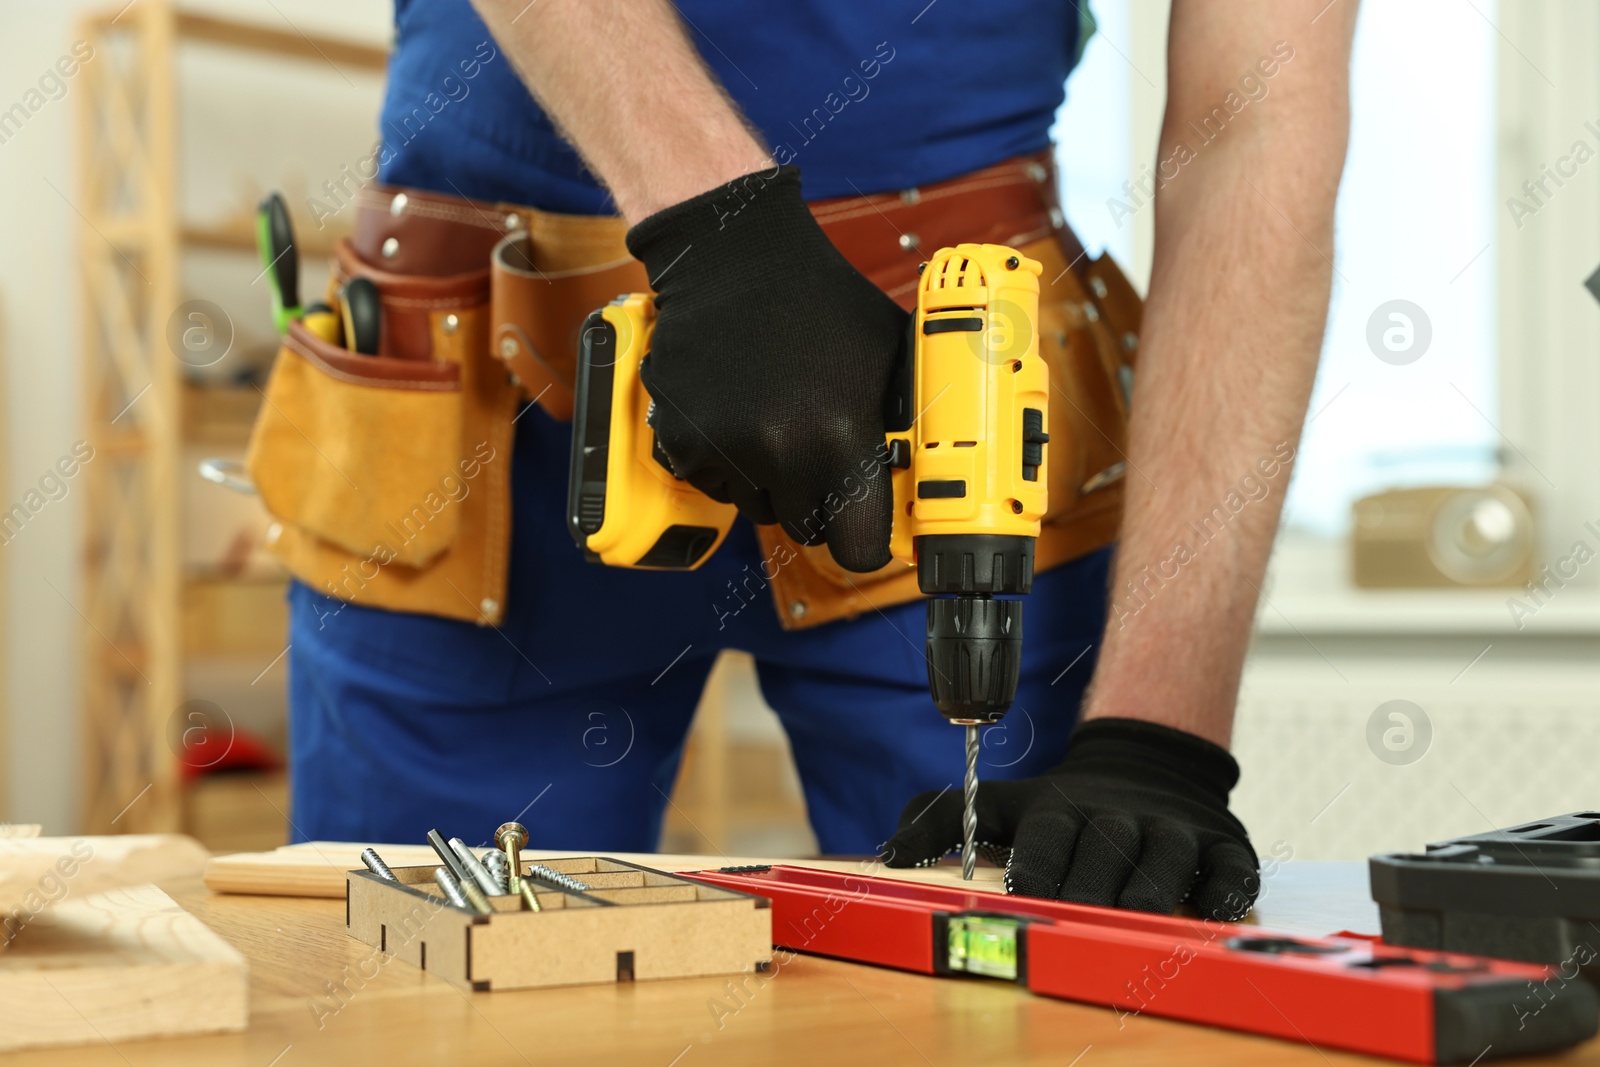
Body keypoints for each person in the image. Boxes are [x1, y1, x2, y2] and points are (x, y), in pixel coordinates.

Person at [277, 0, 1357, 921]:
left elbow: (1250, 128)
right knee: (423, 992)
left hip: (947, 426)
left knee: (1006, 997)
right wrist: (716, 223)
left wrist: (1157, 739)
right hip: (477, 423)